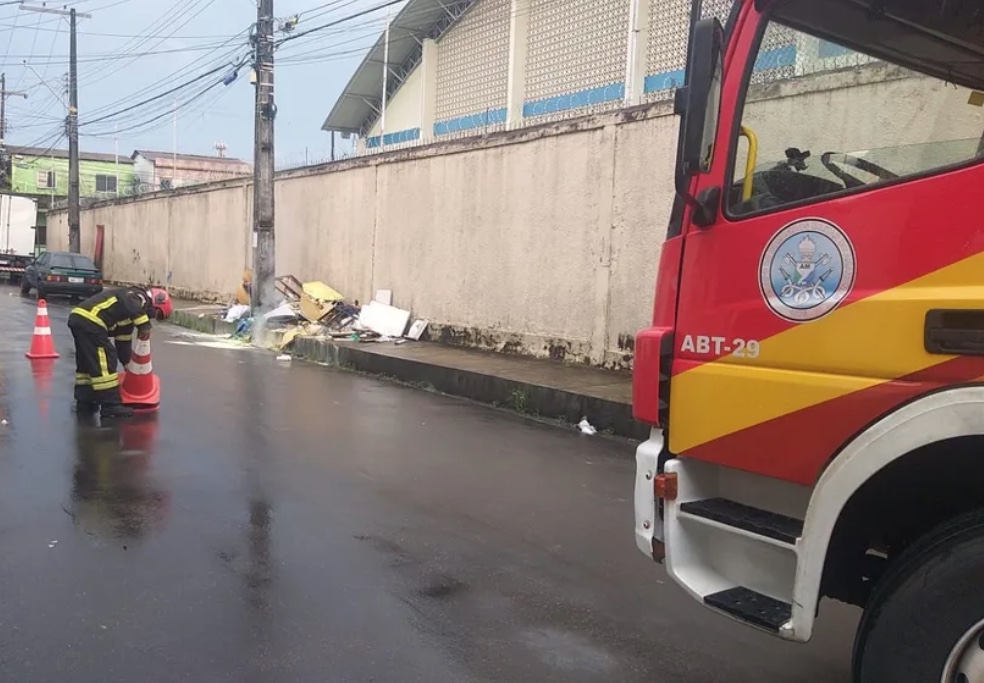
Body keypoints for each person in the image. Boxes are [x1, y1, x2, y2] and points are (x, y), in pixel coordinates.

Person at [68, 286, 173, 418]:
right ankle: (110, 405)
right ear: (157, 302)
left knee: (87, 362)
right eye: (157, 314)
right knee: (106, 360)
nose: (152, 317)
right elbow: (129, 300)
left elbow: (123, 342)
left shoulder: (127, 316)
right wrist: (144, 326)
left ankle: (85, 401)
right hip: (91, 320)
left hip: (80, 318)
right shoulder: (139, 296)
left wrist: (128, 365)